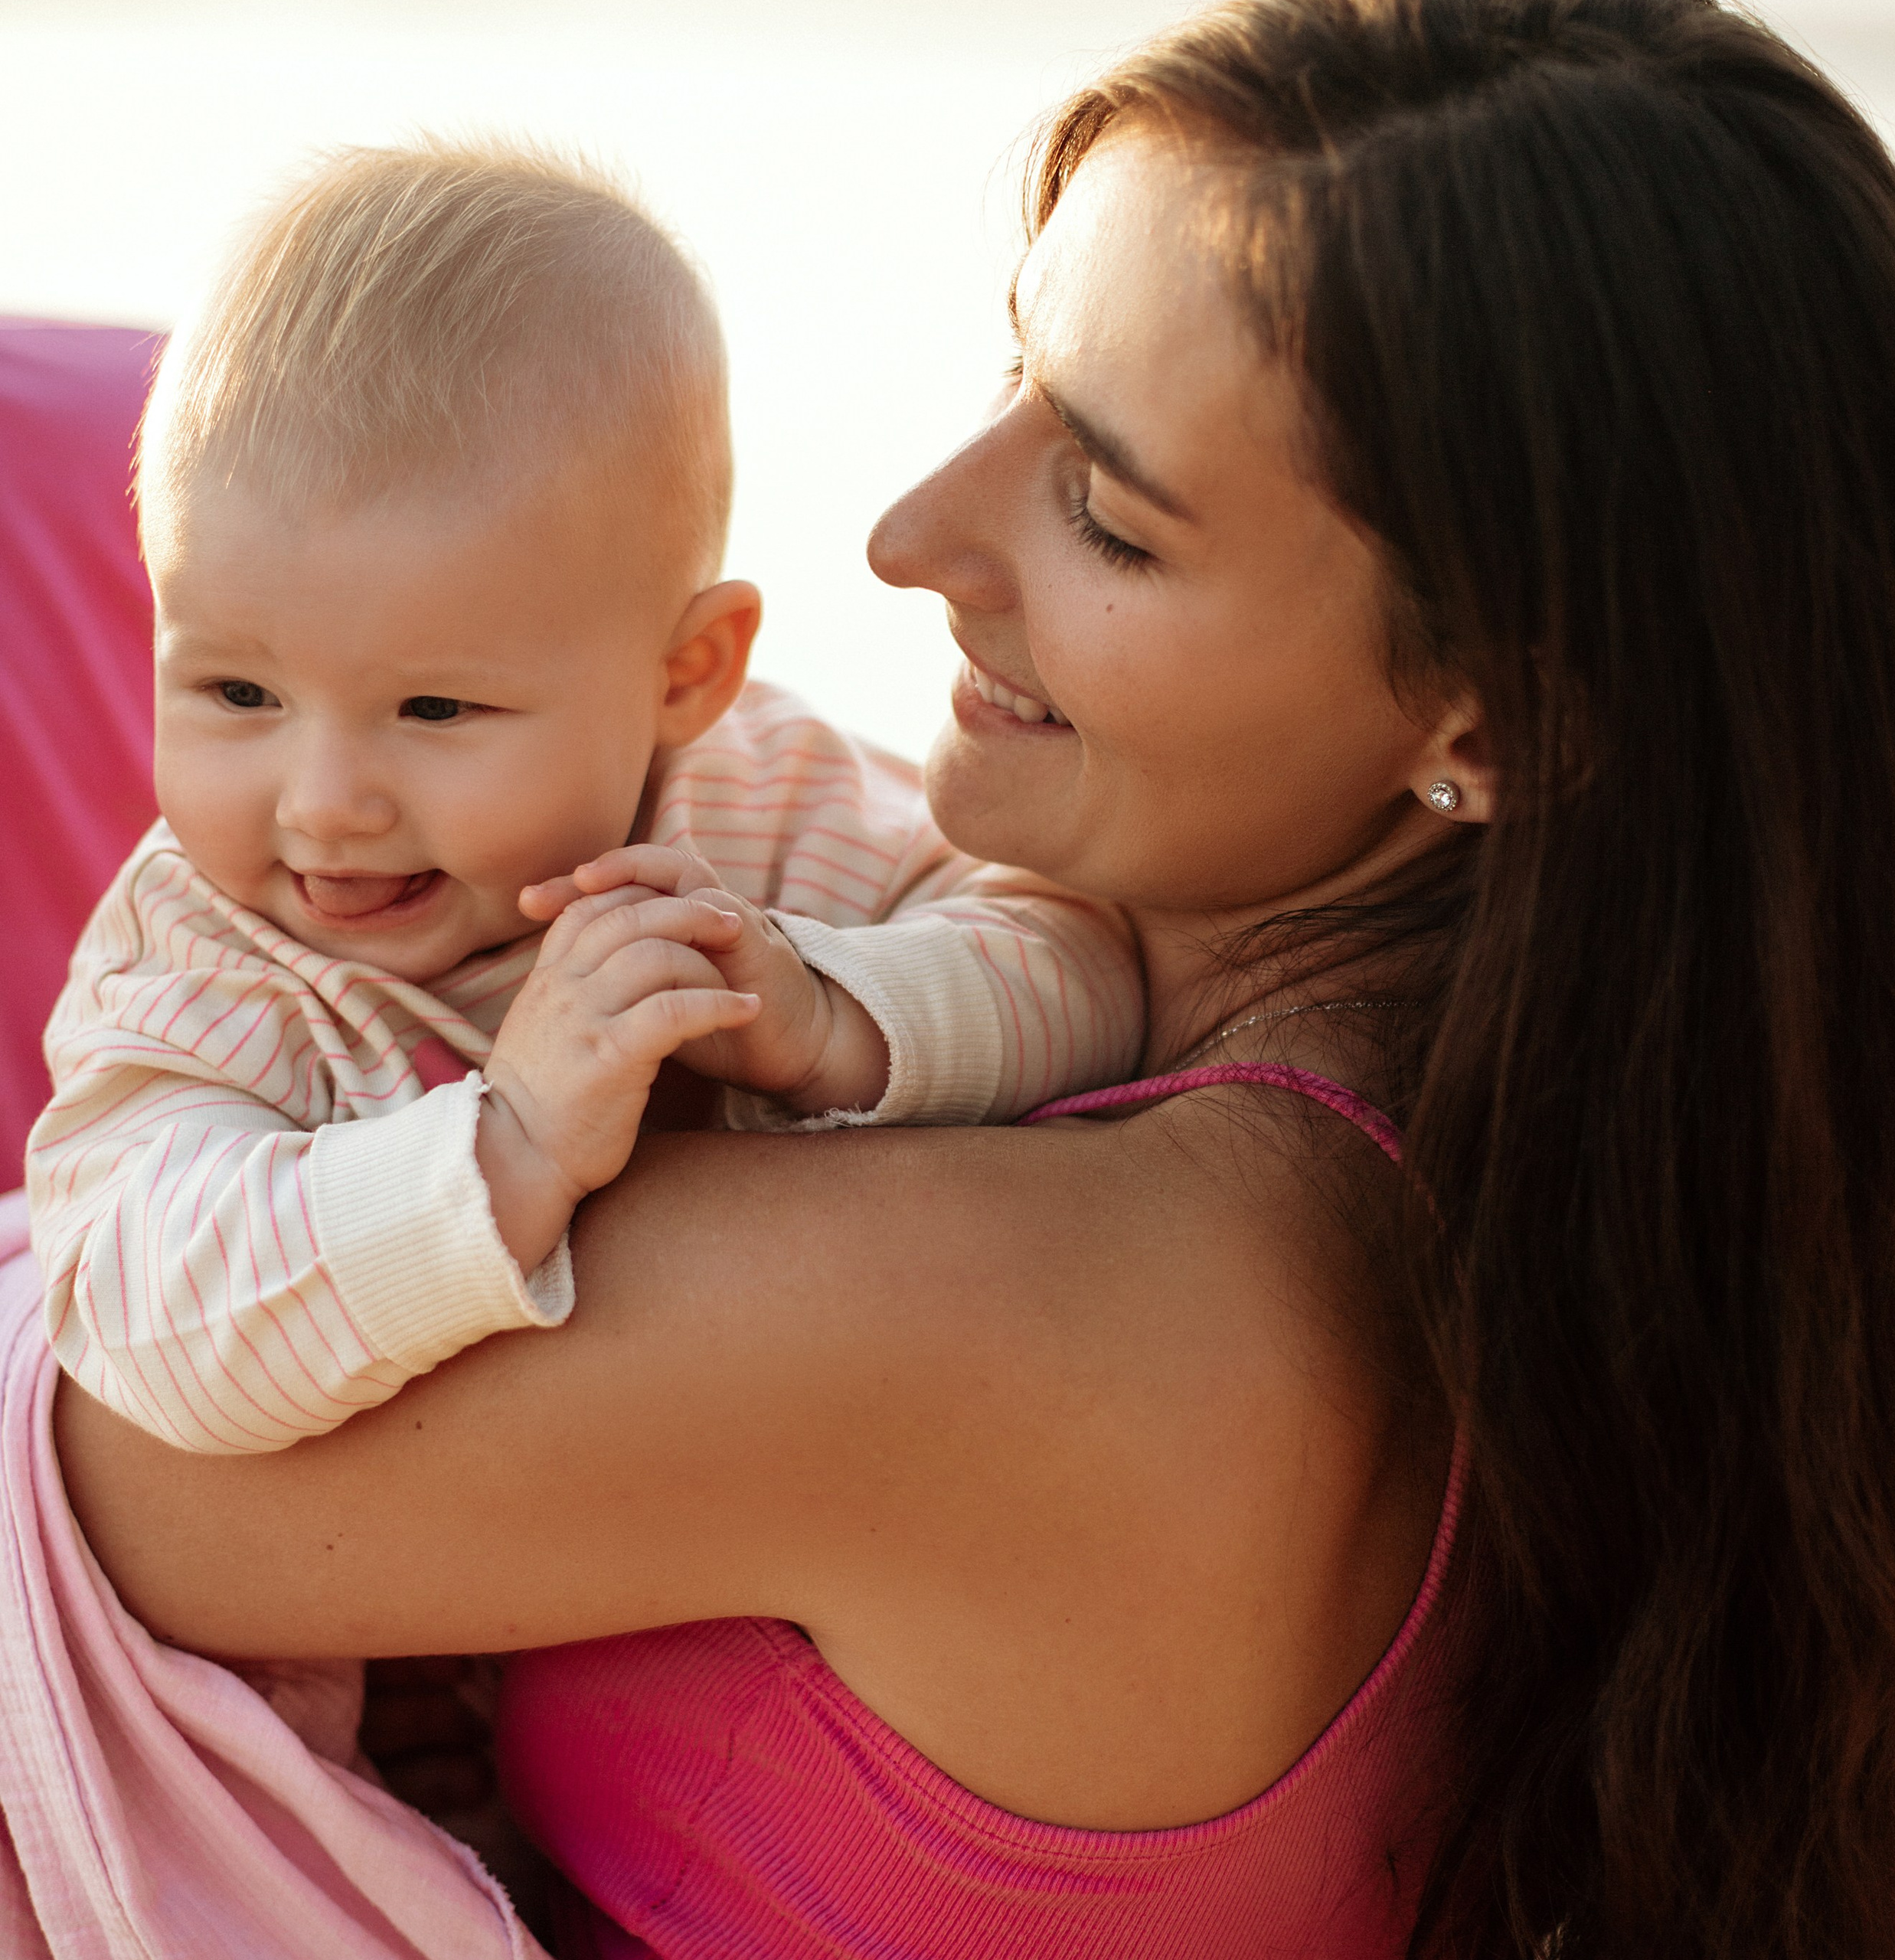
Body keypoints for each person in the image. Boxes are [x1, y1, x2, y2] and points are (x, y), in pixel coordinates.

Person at [50, 0, 1895, 1955]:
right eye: (1013, 373)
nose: (907, 534)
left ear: (1504, 710)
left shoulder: (1025, 1297)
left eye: (1108, 516)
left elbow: (96, 1437)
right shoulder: (1646, 1187)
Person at [26, 138, 1139, 1459]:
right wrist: (511, 1148)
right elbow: (142, 1315)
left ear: (686, 673)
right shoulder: (203, 959)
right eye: (235, 695)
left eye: (435, 710)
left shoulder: (759, 801)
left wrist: (822, 1010)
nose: (321, 806)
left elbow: (1085, 964)